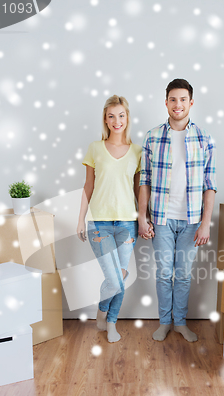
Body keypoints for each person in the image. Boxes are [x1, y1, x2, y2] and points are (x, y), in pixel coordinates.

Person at [138, 78, 217, 342]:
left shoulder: (204, 138)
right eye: (173, 99)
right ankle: (164, 322)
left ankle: (180, 322)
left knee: (182, 275)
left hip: (192, 220)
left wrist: (206, 223)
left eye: (183, 99)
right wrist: (142, 217)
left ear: (191, 103)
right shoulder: (152, 136)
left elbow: (210, 183)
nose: (178, 104)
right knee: (163, 274)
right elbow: (144, 181)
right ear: (166, 102)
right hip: (161, 218)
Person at [77, 95, 142, 343]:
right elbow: (88, 186)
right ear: (105, 119)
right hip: (99, 223)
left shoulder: (137, 151)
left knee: (120, 278)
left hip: (127, 223)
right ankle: (102, 312)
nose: (117, 121)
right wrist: (80, 218)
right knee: (114, 279)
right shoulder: (95, 148)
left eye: (121, 115)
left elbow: (139, 191)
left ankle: (110, 322)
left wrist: (144, 218)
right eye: (112, 116)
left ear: (127, 118)